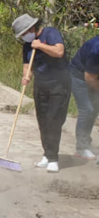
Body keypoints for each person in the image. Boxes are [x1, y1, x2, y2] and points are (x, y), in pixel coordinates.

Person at [12, 14, 70, 173]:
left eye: (24, 33)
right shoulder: (28, 45)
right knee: (42, 120)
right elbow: (27, 65)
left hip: (59, 84)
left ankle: (53, 159)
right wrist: (26, 77)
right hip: (41, 85)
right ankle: (47, 154)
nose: (24, 37)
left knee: (53, 120)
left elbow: (59, 52)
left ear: (31, 28)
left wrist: (41, 46)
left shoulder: (50, 33)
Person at [69, 34, 99, 163]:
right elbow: (89, 77)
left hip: (94, 75)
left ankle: (87, 142)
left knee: (94, 109)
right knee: (87, 109)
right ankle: (81, 148)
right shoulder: (96, 49)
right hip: (79, 76)